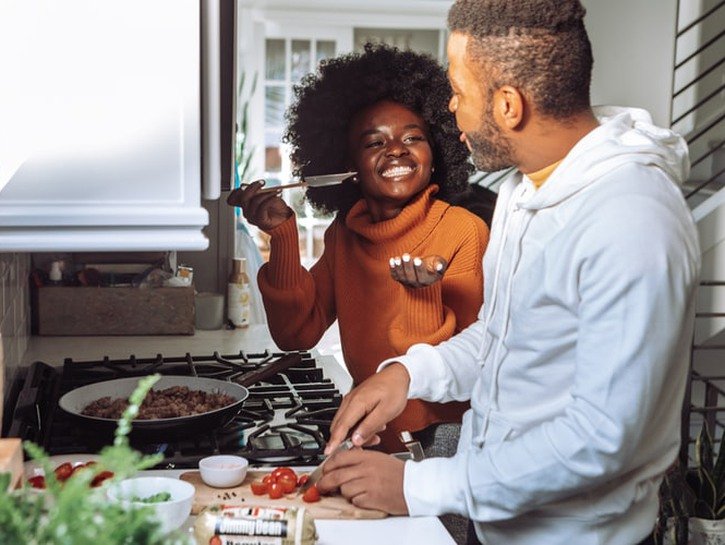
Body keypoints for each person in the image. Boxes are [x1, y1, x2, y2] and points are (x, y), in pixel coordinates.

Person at [319, 2, 702, 544]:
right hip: (498, 522)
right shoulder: (527, 190)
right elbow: (507, 337)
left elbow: (600, 439)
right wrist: (408, 375)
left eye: (458, 90)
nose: (449, 109)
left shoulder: (631, 221)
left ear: (507, 105)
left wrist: (418, 486)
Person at [227, 43, 490, 453]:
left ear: (436, 154)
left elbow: (473, 363)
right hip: (368, 435)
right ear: (347, 165)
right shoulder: (345, 235)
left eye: (413, 137)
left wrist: (421, 296)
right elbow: (297, 333)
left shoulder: (464, 231)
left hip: (442, 446)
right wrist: (281, 236)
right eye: (374, 142)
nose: (396, 149)